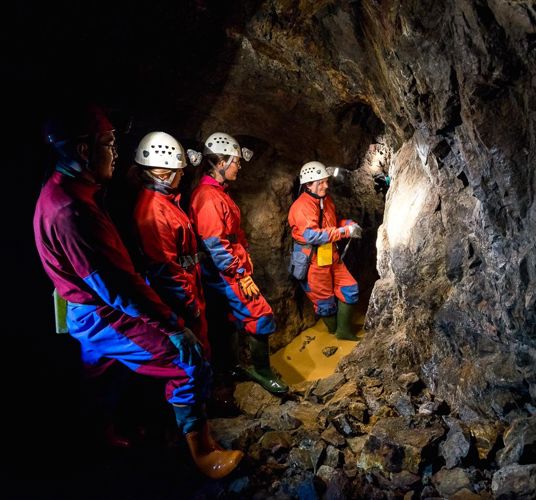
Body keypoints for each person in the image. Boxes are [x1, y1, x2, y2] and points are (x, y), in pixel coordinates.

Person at [33, 106, 243, 479]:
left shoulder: (70, 193)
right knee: (186, 360)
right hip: (102, 313)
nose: (115, 152)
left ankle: (103, 438)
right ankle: (201, 453)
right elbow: (117, 287)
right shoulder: (71, 211)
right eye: (109, 144)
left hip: (89, 308)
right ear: (84, 150)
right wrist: (174, 326)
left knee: (103, 375)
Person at [189, 132, 288, 394]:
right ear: (220, 162)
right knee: (261, 315)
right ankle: (261, 371)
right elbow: (216, 244)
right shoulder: (208, 197)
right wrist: (240, 272)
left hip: (226, 271)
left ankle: (230, 366)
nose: (239, 165)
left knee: (227, 318)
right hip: (227, 274)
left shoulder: (216, 192)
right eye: (235, 160)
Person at [288, 161, 362, 340]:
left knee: (350, 289)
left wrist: (347, 224)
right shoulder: (301, 207)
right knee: (325, 303)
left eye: (326, 181)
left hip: (330, 255)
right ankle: (334, 333)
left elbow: (332, 224)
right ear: (308, 184)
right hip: (313, 261)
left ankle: (343, 331)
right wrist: (343, 232)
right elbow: (312, 236)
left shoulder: (326, 200)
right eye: (320, 182)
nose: (326, 185)